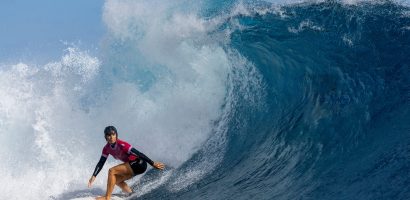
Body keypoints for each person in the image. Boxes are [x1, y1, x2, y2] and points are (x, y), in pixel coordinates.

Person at [88, 126, 165, 200]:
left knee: (111, 171)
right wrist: (94, 175)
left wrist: (152, 163)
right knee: (115, 180)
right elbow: (101, 162)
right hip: (132, 166)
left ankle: (107, 197)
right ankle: (131, 193)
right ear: (105, 137)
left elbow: (139, 154)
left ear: (116, 135)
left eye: (113, 134)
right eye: (109, 135)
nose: (111, 137)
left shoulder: (122, 144)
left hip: (139, 163)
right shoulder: (106, 148)